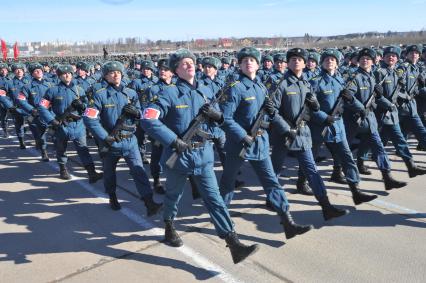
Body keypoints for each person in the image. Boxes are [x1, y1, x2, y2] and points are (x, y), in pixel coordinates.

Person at [141, 49, 258, 264]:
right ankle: (169, 225)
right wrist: (173, 140)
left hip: (203, 156)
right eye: (184, 64)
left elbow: (214, 125)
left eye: (191, 62)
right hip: (179, 156)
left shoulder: (205, 91)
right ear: (175, 70)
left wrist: (218, 120)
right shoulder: (169, 93)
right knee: (173, 197)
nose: (189, 65)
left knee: (215, 200)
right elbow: (148, 120)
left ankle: (234, 243)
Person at [219, 46, 314, 239]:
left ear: (258, 64)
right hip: (239, 144)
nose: (249, 63)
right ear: (240, 65)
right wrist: (242, 136)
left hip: (260, 142)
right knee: (228, 183)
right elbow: (225, 118)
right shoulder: (235, 87)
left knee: (272, 182)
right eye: (245, 61)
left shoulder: (261, 86)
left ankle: (287, 221)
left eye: (252, 60)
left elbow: (269, 114)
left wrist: (277, 122)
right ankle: (222, 219)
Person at [269, 48, 349, 220]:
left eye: (300, 59)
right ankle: (272, 199)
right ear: (288, 63)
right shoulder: (281, 84)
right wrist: (285, 128)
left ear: (305, 64)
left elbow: (313, 109)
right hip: (284, 135)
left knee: (312, 170)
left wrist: (316, 107)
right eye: (293, 59)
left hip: (303, 134)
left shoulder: (306, 83)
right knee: (274, 170)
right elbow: (271, 111)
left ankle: (326, 206)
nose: (296, 61)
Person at [83, 61, 162, 214]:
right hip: (111, 142)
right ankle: (112, 196)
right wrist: (105, 137)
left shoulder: (130, 93)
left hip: (130, 141)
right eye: (112, 73)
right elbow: (89, 118)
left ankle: (149, 202)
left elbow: (142, 114)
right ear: (106, 76)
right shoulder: (100, 95)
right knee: (109, 172)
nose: (116, 75)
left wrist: (136, 112)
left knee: (139, 171)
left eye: (118, 72)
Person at [309, 49, 377, 205]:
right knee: (310, 158)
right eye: (327, 59)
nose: (330, 61)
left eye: (333, 59)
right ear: (322, 62)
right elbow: (309, 108)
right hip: (320, 127)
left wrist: (360, 107)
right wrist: (323, 117)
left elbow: (349, 99)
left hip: (338, 126)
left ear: (337, 63)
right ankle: (301, 182)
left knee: (347, 157)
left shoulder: (341, 80)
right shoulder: (315, 81)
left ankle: (355, 191)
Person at [341, 48, 407, 190]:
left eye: (368, 58)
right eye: (362, 58)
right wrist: (360, 107)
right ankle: (337, 171)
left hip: (369, 119)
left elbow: (376, 98)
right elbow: (348, 96)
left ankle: (387, 177)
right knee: (343, 149)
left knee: (379, 148)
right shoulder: (354, 77)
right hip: (353, 119)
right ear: (358, 61)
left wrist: (387, 103)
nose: (365, 60)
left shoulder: (372, 77)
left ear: (373, 61)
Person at [38, 64, 103, 183]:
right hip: (61, 125)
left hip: (78, 125)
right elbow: (42, 108)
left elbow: (88, 107)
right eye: (64, 74)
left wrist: (82, 106)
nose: (67, 75)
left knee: (83, 149)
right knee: (61, 148)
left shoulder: (79, 89)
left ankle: (91, 172)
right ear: (59, 76)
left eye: (69, 73)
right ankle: (63, 169)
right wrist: (52, 120)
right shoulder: (52, 90)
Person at [18, 63, 54, 161]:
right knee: (40, 135)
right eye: (35, 71)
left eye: (40, 70)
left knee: (54, 133)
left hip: (49, 113)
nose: (38, 72)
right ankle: (44, 152)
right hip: (35, 114)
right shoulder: (27, 87)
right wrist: (31, 110)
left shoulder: (50, 84)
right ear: (32, 74)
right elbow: (21, 100)